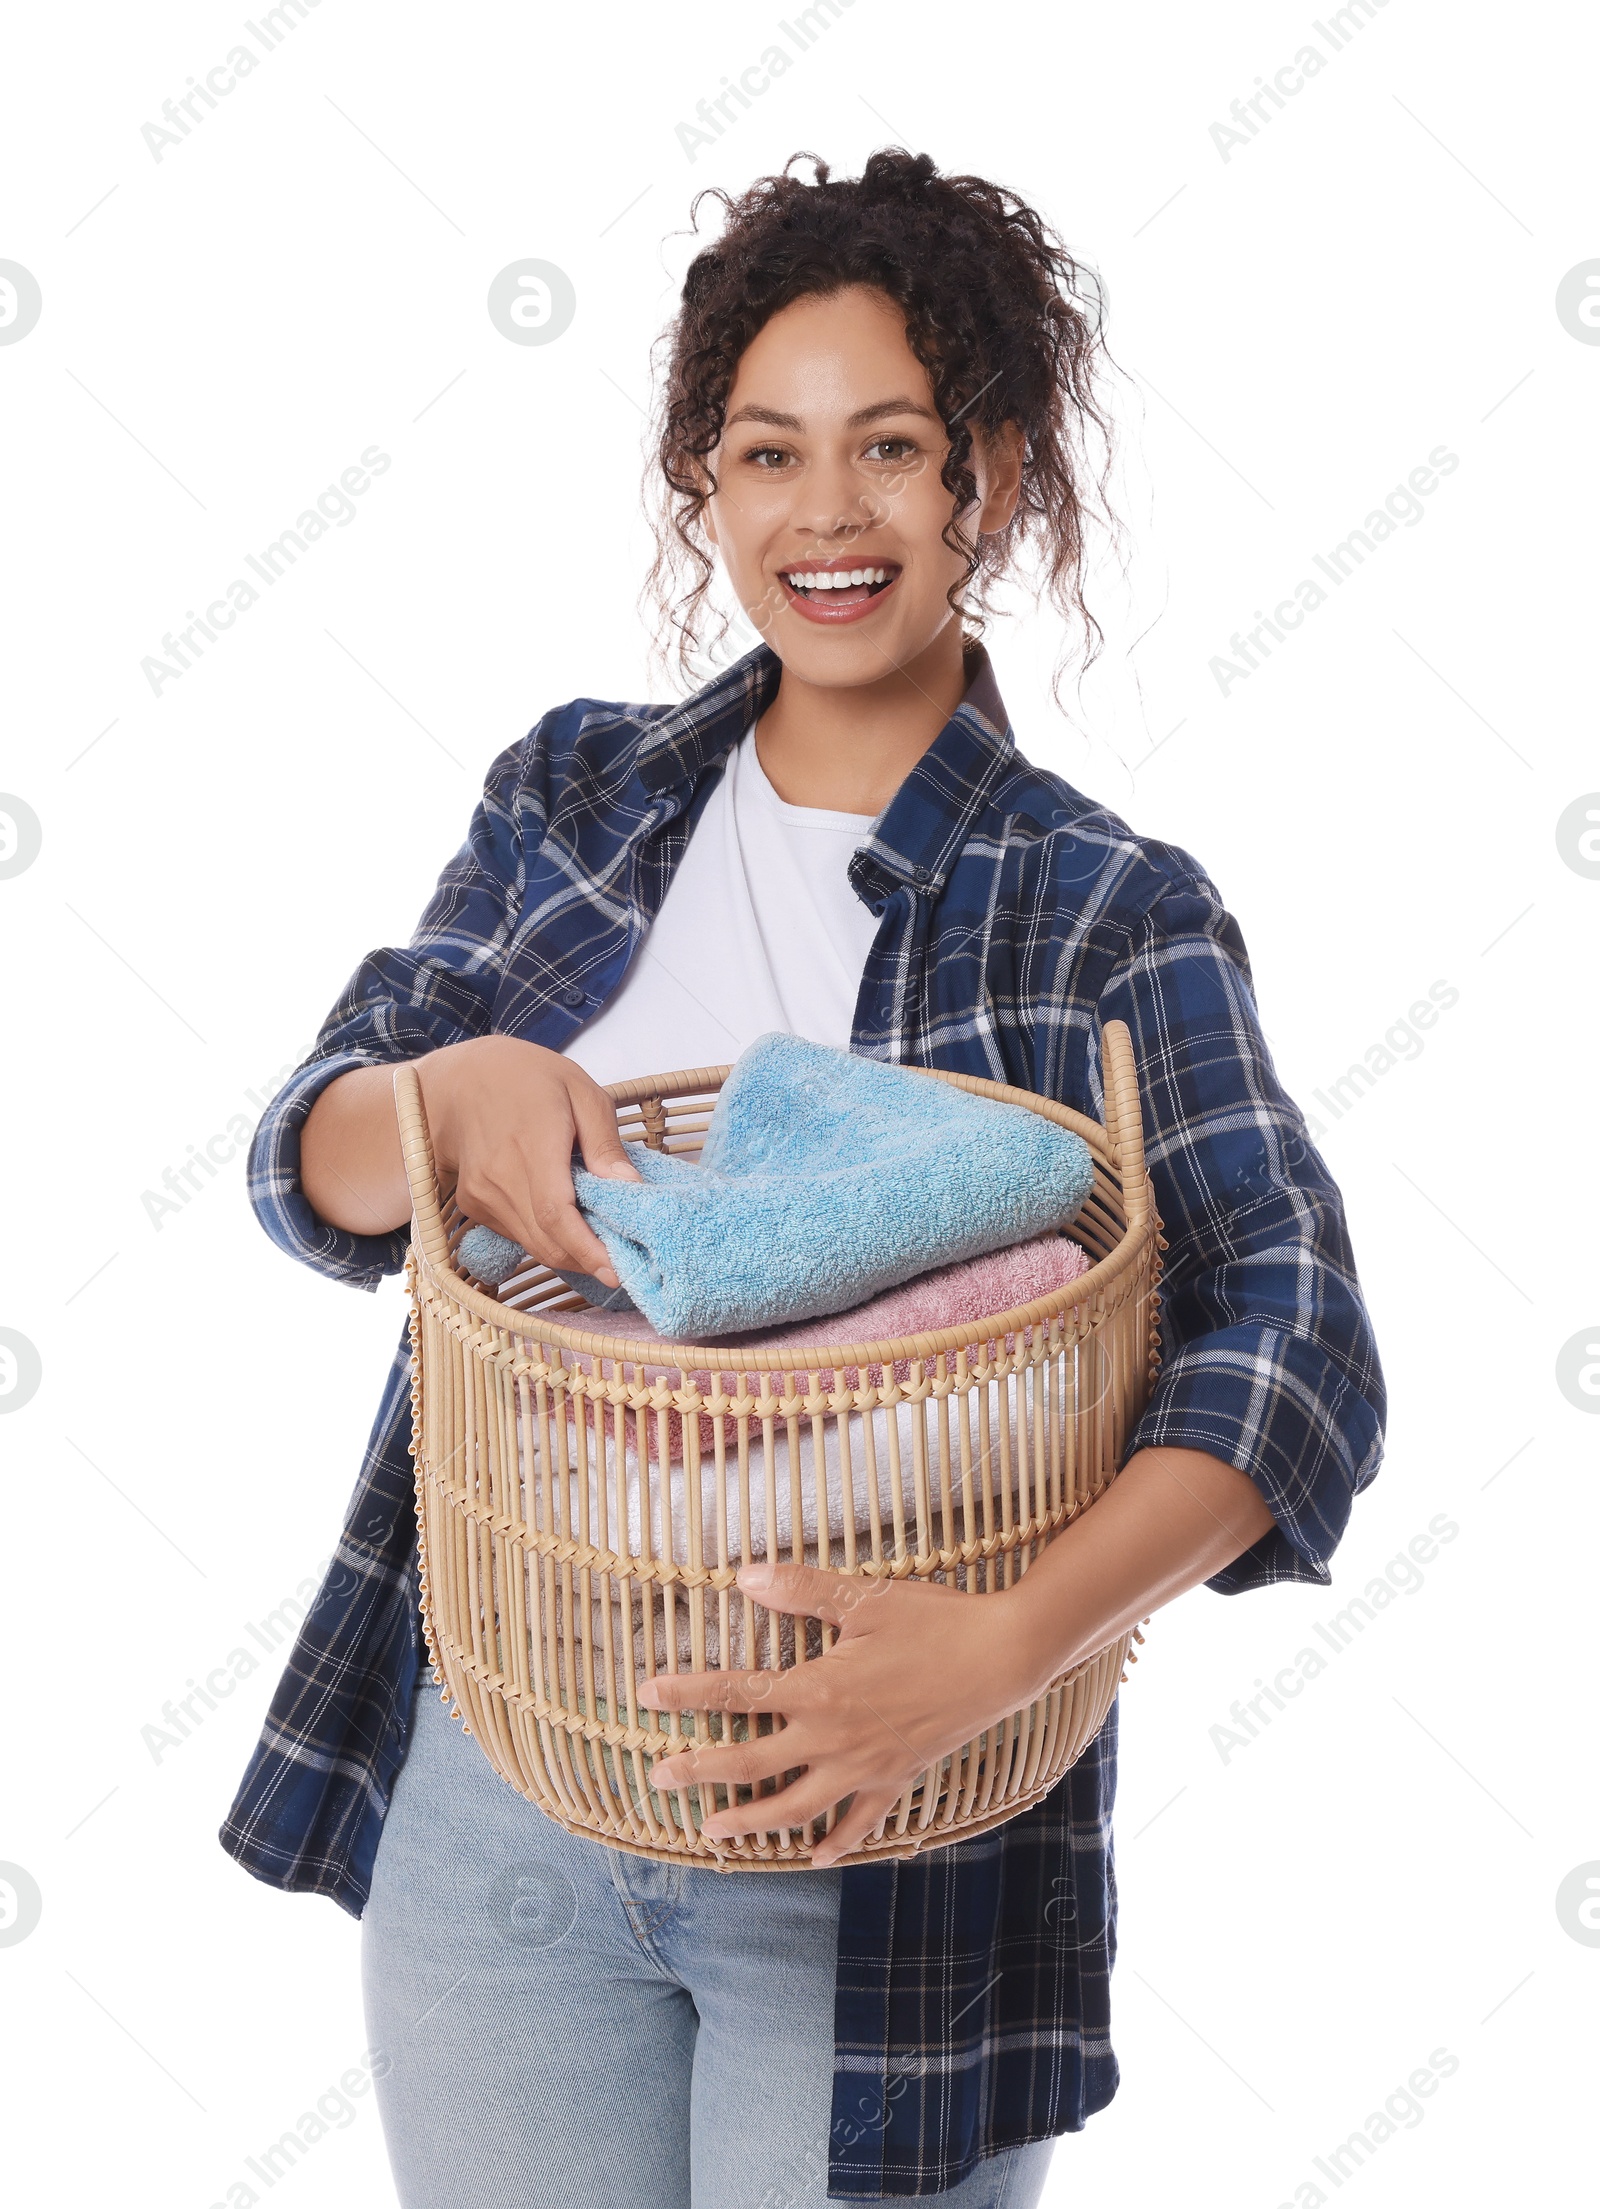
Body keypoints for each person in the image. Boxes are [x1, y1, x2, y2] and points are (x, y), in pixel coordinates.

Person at [220, 150, 1386, 2206]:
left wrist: (1004, 1643)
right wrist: (445, 1093)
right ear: (703, 485)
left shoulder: (1097, 907)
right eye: (765, 453)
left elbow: (1293, 1349)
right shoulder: (578, 790)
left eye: (889, 450)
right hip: (501, 1785)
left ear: (990, 483)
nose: (822, 514)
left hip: (887, 1852)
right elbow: (307, 1162)